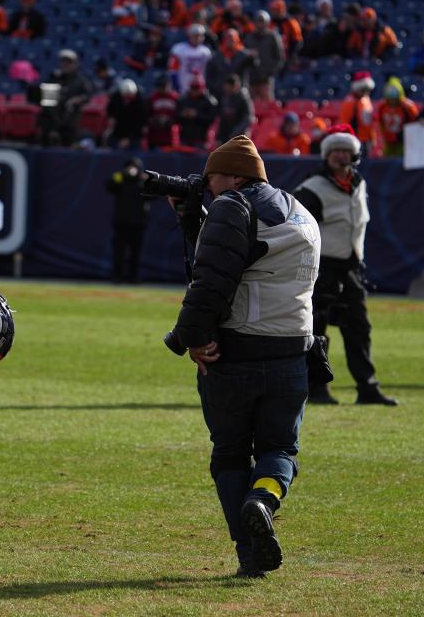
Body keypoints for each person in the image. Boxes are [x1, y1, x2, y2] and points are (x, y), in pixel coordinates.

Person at [166, 135, 320, 578]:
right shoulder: (300, 210)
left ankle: (248, 551)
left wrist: (189, 338)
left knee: (231, 455)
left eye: (212, 176)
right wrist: (192, 220)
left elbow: (211, 279)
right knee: (280, 449)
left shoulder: (233, 206)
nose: (207, 186)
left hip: (235, 354)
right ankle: (265, 499)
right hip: (293, 353)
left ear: (234, 174)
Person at [293, 125, 398, 406]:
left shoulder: (358, 183)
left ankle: (367, 387)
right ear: (326, 155)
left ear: (355, 154)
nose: (340, 156)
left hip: (351, 268)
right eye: (335, 150)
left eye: (346, 150)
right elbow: (297, 232)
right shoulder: (311, 188)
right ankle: (316, 389)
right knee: (317, 331)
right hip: (321, 268)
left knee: (359, 329)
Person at [105, 157, 151, 283]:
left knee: (135, 253)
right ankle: (117, 276)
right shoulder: (120, 179)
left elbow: (154, 196)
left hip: (138, 224)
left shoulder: (143, 182)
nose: (132, 170)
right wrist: (122, 174)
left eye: (134, 167)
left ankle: (133, 277)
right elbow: (109, 184)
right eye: (129, 167)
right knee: (118, 252)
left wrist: (148, 181)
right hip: (121, 223)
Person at [374, 77, 419, 158]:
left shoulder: (407, 107)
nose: (392, 101)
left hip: (404, 141)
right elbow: (379, 123)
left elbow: (415, 123)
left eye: (394, 99)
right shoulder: (382, 107)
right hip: (388, 140)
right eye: (390, 99)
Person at [338, 71, 376, 154]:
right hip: (355, 139)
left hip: (366, 140)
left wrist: (372, 137)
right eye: (363, 90)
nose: (366, 92)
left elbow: (369, 123)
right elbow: (345, 122)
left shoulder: (366, 99)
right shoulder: (350, 102)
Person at [168, 23, 212, 95]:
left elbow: (210, 71)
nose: (198, 38)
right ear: (189, 36)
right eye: (195, 35)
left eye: (200, 35)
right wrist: (176, 87)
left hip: (201, 88)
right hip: (183, 86)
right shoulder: (179, 49)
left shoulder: (206, 51)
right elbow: (173, 70)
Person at [175, 76, 217, 149]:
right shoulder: (184, 99)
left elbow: (212, 119)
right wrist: (183, 114)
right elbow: (176, 116)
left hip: (201, 139)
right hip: (185, 138)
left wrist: (196, 115)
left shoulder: (209, 101)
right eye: (192, 87)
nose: (194, 90)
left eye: (196, 87)